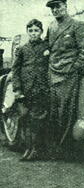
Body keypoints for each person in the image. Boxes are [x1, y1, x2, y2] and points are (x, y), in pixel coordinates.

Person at [45, 0, 84, 155]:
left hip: (68, 74)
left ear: (65, 6)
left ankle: (65, 149)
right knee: (54, 112)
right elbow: (48, 47)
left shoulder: (77, 25)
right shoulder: (51, 27)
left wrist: (74, 69)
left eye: (58, 6)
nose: (55, 10)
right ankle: (56, 147)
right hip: (54, 73)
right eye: (52, 7)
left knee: (66, 112)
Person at [10, 19, 50, 161]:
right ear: (27, 32)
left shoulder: (46, 47)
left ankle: (35, 149)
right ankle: (27, 148)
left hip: (41, 89)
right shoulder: (22, 49)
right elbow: (15, 70)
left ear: (41, 32)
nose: (33, 33)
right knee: (24, 118)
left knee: (37, 119)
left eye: (36, 30)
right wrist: (17, 89)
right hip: (25, 90)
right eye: (31, 31)